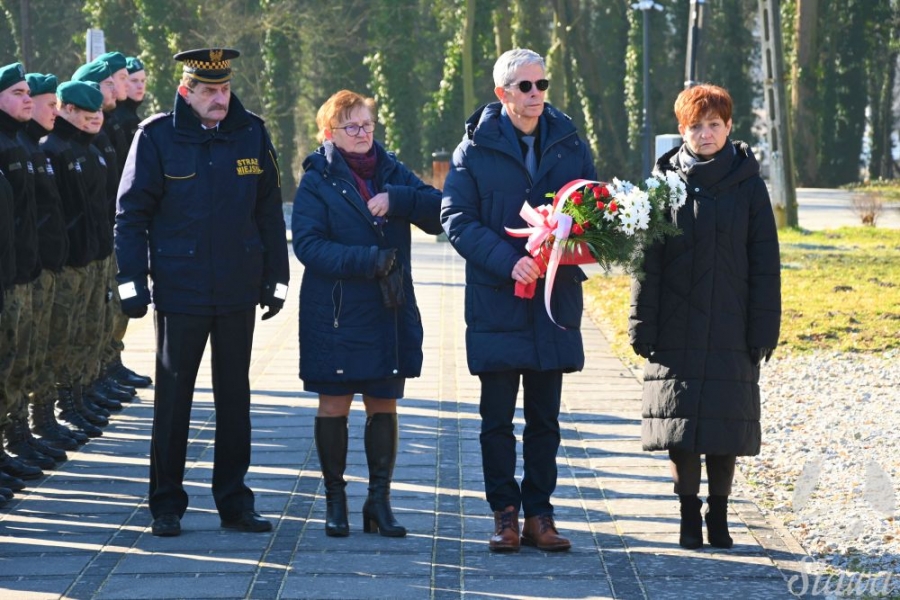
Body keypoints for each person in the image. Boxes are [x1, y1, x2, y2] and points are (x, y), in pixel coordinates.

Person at [115, 47, 289, 538]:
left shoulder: (250, 131)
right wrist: (130, 283)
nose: (219, 99)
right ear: (185, 92)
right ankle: (166, 504)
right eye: (209, 91)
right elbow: (130, 215)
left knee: (235, 398)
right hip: (181, 290)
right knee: (174, 400)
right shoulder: (155, 137)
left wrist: (277, 278)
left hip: (237, 288)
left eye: (225, 89)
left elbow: (269, 209)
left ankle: (234, 501)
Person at [441, 48, 597, 553]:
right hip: (497, 299)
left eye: (541, 84)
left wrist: (569, 247)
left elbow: (593, 207)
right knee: (496, 421)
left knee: (546, 419)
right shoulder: (473, 148)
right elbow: (457, 219)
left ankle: (540, 514)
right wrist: (507, 261)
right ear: (501, 93)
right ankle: (504, 515)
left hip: (553, 301)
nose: (535, 95)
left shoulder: (570, 141)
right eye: (524, 87)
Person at [628, 84, 781, 550]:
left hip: (732, 324)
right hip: (674, 325)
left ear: (729, 127)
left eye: (714, 124)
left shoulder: (750, 187)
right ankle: (688, 515)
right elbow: (645, 262)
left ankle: (719, 514)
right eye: (696, 125)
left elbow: (765, 263)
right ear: (682, 130)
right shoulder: (662, 185)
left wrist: (764, 328)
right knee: (680, 426)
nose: (706, 133)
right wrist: (640, 323)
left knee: (723, 424)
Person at [292, 90, 442, 538]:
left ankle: (379, 501)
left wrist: (398, 199)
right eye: (351, 127)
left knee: (383, 401)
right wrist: (368, 260)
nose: (362, 135)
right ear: (329, 134)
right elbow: (308, 246)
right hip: (334, 313)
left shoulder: (392, 171)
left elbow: (439, 213)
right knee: (334, 403)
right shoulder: (316, 179)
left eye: (367, 126)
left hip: (384, 309)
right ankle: (335, 501)